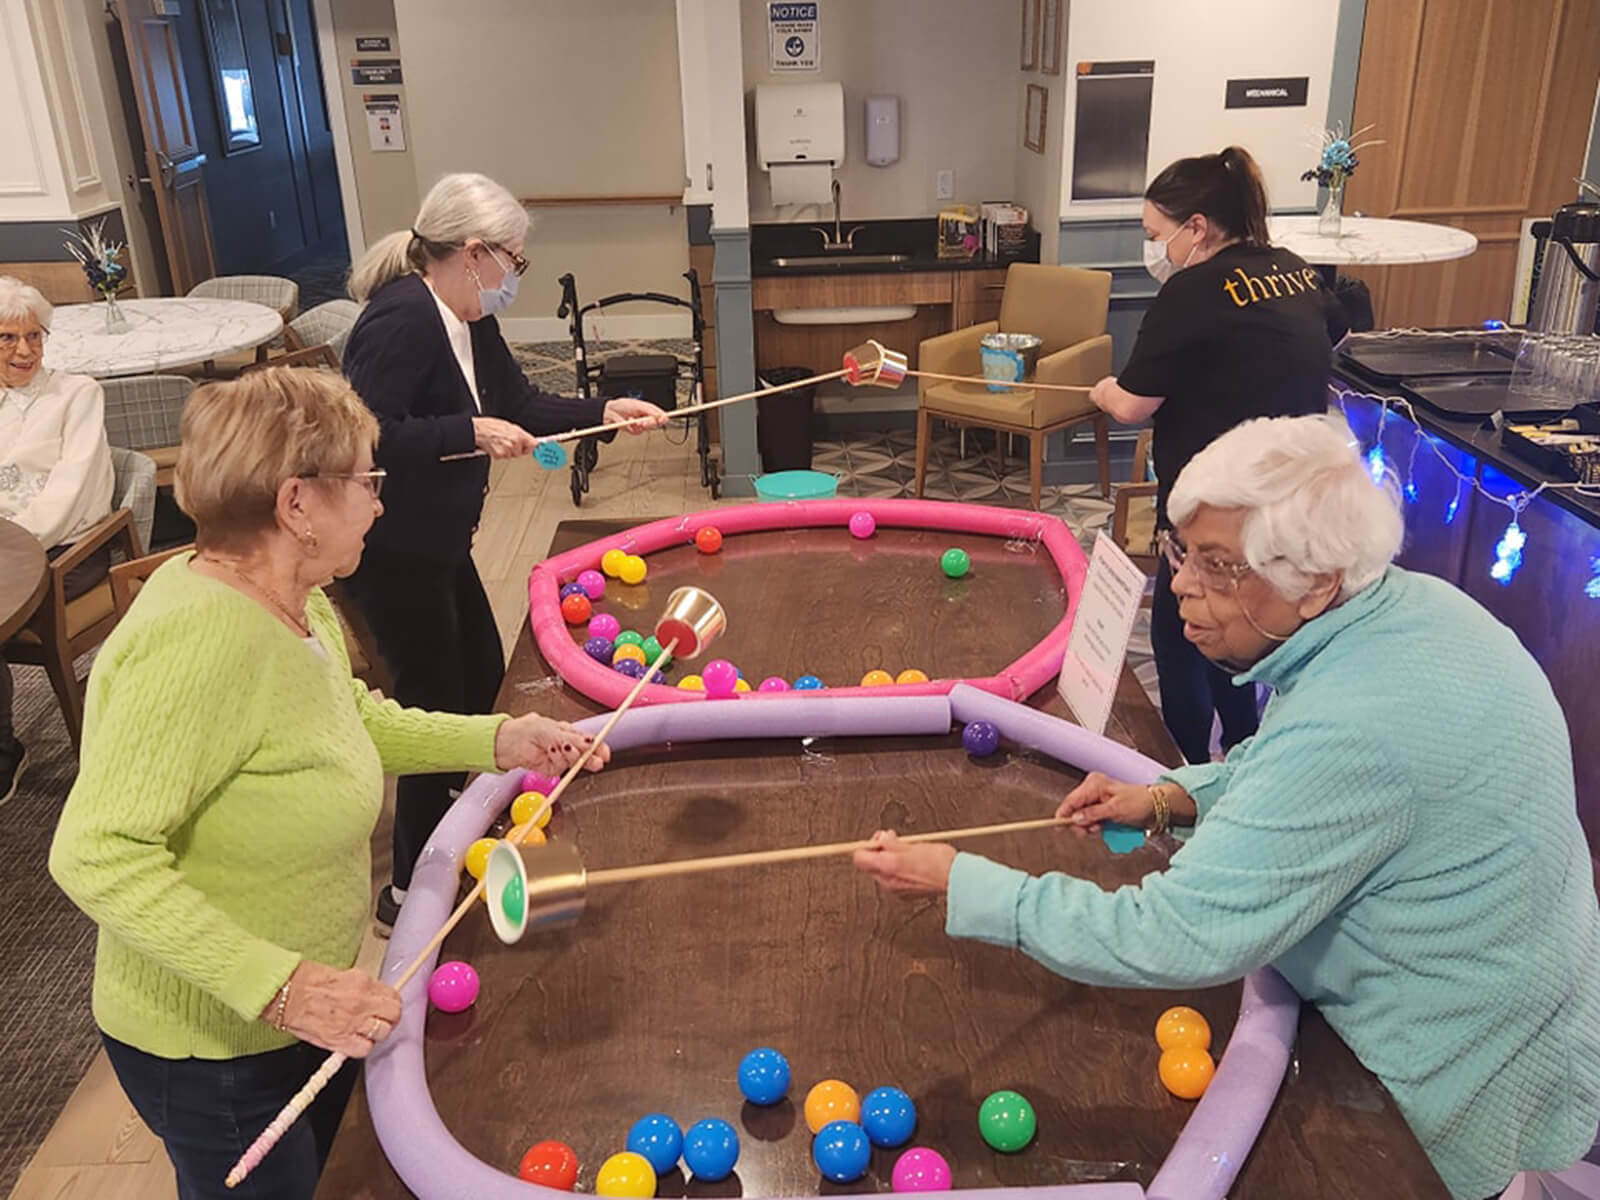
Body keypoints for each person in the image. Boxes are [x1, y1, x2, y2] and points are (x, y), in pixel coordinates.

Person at [854, 414, 1600, 1200]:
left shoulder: (1356, 722)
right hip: (1522, 1004)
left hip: (1437, 1065)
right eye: (1182, 551)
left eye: (1218, 566)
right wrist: (1173, 797)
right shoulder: (1403, 610)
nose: (1178, 584)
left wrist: (964, 882)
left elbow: (1178, 931)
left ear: (1315, 581)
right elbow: (1287, 759)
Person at [48, 368, 609, 1200]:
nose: (381, 501)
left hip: (292, 1010)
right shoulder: (196, 643)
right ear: (296, 505)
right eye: (366, 481)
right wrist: (285, 989)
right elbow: (95, 854)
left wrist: (497, 738)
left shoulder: (290, 593)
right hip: (216, 1049)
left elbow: (349, 717)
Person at [342, 172, 667, 930]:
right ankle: (405, 894)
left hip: (442, 540)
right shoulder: (400, 320)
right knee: (435, 702)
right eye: (514, 263)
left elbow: (516, 405)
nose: (515, 278)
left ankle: (468, 816)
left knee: (485, 677)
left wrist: (601, 412)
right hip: (393, 551)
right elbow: (364, 433)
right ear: (475, 252)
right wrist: (467, 432)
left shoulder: (470, 315)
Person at [1087, 147, 1348, 764]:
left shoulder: (1191, 292)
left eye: (1157, 234)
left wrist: (1102, 389)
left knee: (1183, 635)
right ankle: (1246, 747)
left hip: (1213, 507)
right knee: (1251, 629)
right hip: (1287, 503)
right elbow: (1331, 333)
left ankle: (1187, 775)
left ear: (1196, 227)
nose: (1156, 248)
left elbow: (1131, 406)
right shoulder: (1293, 269)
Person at [0, 275, 113, 802]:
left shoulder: (77, 395)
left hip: (65, 554)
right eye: (6, 338)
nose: (25, 350)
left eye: (35, 336)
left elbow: (70, 491)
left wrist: (14, 547)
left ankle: (5, 751)